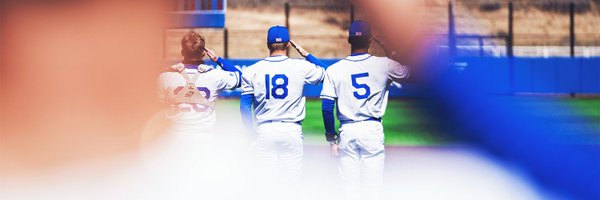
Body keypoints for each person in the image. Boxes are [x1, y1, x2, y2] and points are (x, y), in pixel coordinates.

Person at [320, 21, 410, 199]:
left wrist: (332, 138)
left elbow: (326, 108)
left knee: (348, 188)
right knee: (372, 188)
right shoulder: (384, 64)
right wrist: (387, 46)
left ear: (348, 40)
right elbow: (408, 71)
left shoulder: (334, 69)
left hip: (347, 130)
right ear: (370, 40)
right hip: (371, 130)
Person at [239, 25, 326, 185]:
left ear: (267, 44)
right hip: (291, 130)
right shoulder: (301, 66)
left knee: (266, 185)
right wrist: (306, 54)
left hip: (264, 130)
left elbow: (245, 107)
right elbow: (326, 73)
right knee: (291, 185)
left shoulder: (252, 70)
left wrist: (251, 136)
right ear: (288, 45)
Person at [152, 31, 240, 179]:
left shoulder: (166, 77)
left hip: (174, 139)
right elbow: (240, 77)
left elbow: (157, 110)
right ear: (204, 53)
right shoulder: (215, 75)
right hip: (203, 139)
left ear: (182, 52)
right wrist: (217, 59)